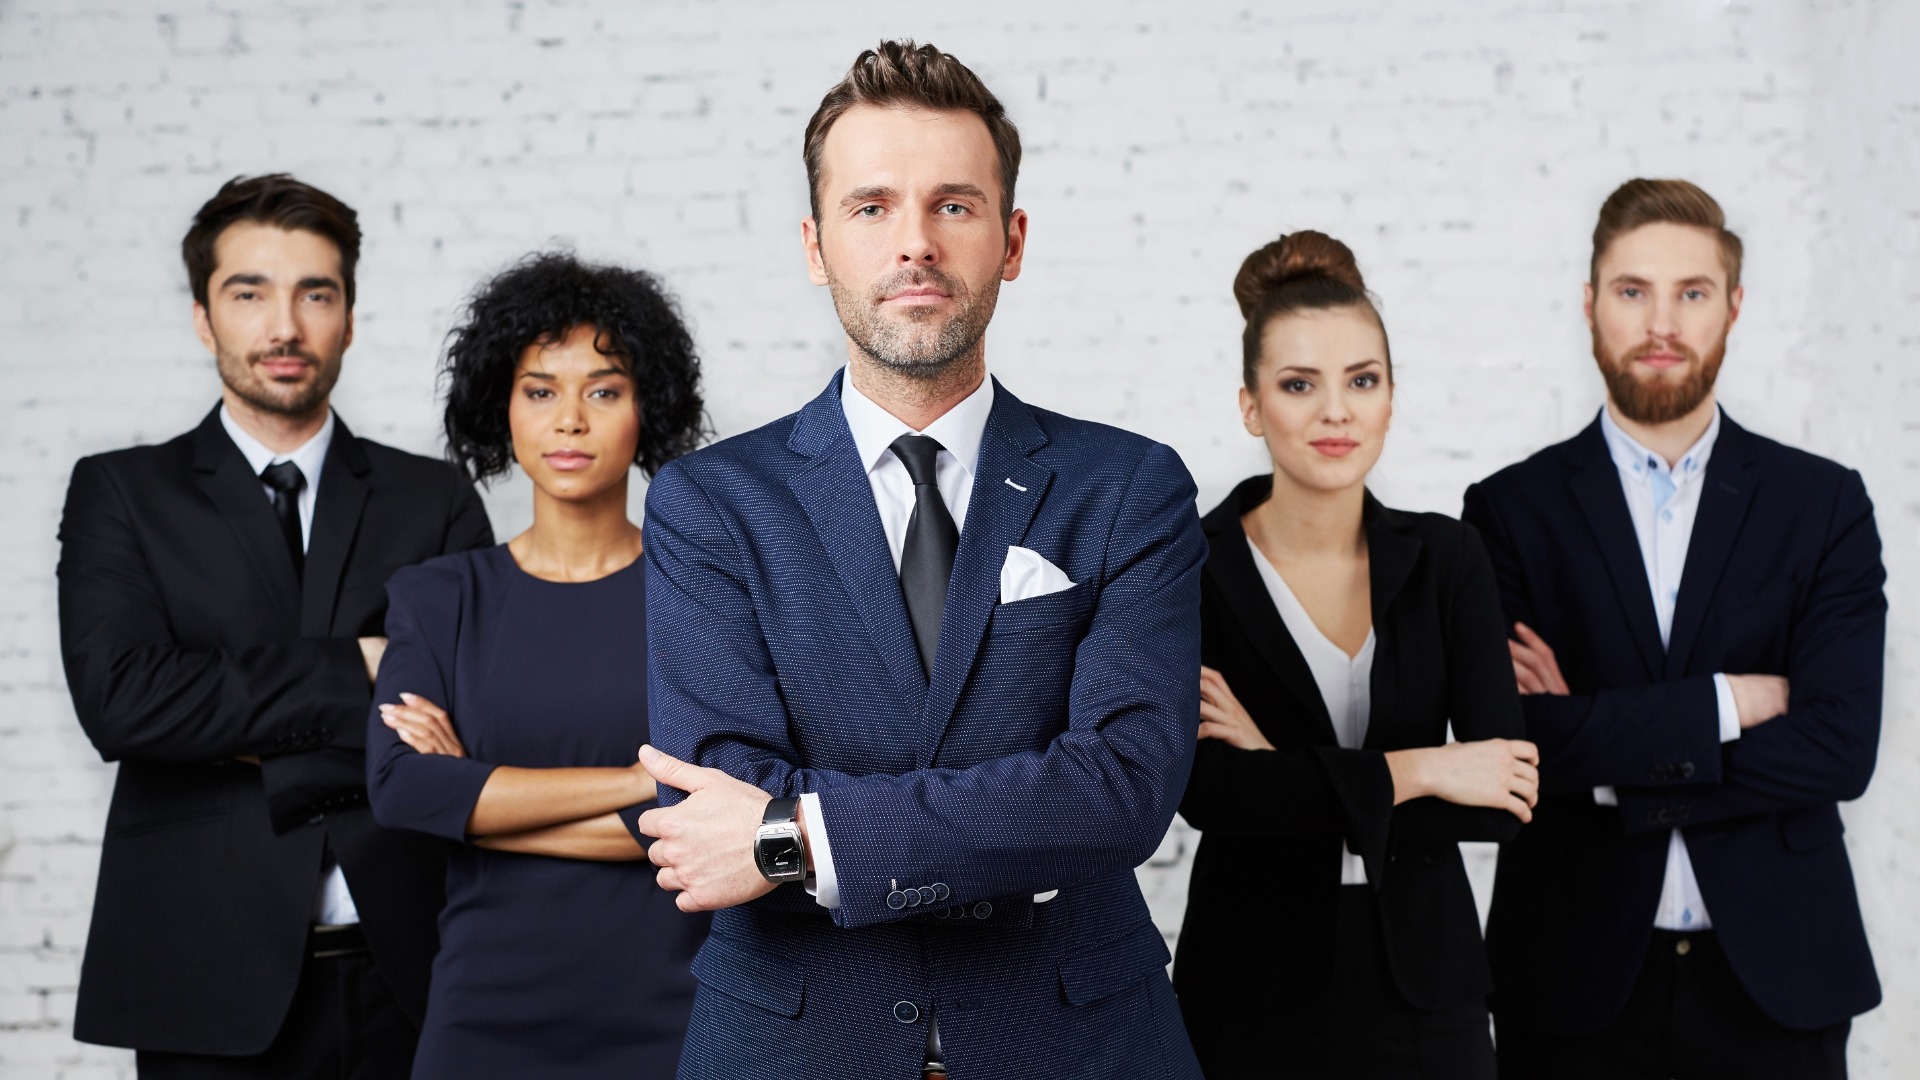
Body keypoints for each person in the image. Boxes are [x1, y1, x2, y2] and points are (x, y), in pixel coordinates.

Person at [631, 40, 1207, 1080]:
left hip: (1076, 1041)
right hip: (796, 1044)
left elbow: (1122, 789)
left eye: (953, 205)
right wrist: (1019, 829)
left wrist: (793, 836)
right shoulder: (708, 506)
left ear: (1011, 238)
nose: (916, 245)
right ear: (816, 246)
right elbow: (714, 793)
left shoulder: (1129, 489)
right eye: (871, 208)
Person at [56, 174, 493, 1077]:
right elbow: (124, 704)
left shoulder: (434, 499)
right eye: (249, 293)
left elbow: (467, 719)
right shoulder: (122, 494)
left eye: (315, 294)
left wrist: (224, 714)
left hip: (411, 969)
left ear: (350, 317)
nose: (284, 326)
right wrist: (364, 672)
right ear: (203, 318)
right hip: (203, 975)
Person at [1463, 178, 1885, 1079]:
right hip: (1571, 975)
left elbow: (1842, 747)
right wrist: (1731, 702)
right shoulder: (1509, 511)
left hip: (1780, 976)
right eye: (1632, 291)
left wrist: (1614, 763)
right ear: (1589, 304)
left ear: (1733, 306)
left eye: (1692, 293)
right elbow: (1519, 745)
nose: (1663, 323)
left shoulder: (1823, 504)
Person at [1172, 231, 1538, 1079]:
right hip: (1249, 997)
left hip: (1429, 993)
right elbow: (1211, 798)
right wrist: (1427, 770)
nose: (1336, 412)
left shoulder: (1449, 560)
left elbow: (1502, 796)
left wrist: (1283, 767)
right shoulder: (1194, 568)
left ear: (1389, 398)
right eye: (1300, 385)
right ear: (1251, 406)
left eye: (1361, 381)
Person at [363, 252, 712, 1077]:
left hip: (673, 1009)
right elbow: (404, 789)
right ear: (503, 408)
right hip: (484, 1013)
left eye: (604, 388)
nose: (570, 421)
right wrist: (640, 783)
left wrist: (482, 802)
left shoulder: (703, 595)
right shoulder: (437, 597)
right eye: (540, 390)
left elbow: (717, 815)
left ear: (646, 408)